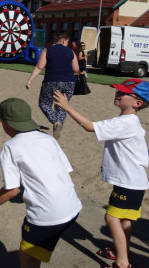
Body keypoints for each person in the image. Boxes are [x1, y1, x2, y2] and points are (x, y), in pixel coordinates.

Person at [0, 98, 82, 268]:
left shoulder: (10, 147)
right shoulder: (48, 139)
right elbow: (65, 170)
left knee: (27, 255)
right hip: (72, 207)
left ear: (6, 123)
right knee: (37, 250)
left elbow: (12, 191)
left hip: (47, 215)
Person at [53, 79, 149, 268]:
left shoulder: (126, 122)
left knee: (111, 218)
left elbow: (90, 127)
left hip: (128, 183)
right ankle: (122, 252)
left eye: (124, 93)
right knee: (124, 220)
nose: (118, 94)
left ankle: (122, 263)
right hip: (134, 182)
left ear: (137, 103)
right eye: (118, 90)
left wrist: (68, 108)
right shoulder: (129, 121)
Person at [26, 34, 79, 139]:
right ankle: (58, 126)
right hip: (69, 82)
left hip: (51, 81)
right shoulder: (71, 52)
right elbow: (76, 68)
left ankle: (56, 122)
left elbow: (39, 67)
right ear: (63, 40)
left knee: (44, 103)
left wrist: (30, 80)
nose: (67, 44)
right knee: (62, 105)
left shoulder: (48, 50)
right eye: (67, 42)